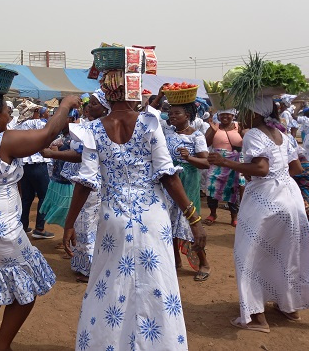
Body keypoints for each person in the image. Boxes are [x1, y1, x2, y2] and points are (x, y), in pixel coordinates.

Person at [62, 69, 207, 350]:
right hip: (152, 216)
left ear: (106, 93)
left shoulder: (92, 129)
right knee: (156, 283)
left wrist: (69, 223)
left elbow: (85, 182)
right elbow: (169, 176)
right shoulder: (150, 123)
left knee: (110, 283)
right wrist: (194, 219)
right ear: (132, 91)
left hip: (113, 216)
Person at [0, 91, 79, 351]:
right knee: (26, 290)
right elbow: (47, 134)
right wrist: (65, 105)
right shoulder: (3, 141)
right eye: (7, 112)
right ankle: (1, 347)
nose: (10, 118)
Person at [208, 96, 309, 333]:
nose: (240, 115)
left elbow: (261, 168)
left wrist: (226, 162)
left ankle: (257, 317)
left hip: (266, 198)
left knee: (249, 256)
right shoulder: (284, 135)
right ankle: (289, 307)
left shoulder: (253, 135)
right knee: (286, 253)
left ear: (255, 114)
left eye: (244, 111)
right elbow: (296, 168)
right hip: (290, 197)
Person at [55, 89, 110, 283]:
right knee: (84, 222)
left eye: (95, 104)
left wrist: (52, 154)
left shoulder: (99, 130)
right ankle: (85, 263)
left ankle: (89, 268)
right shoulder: (89, 127)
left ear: (106, 108)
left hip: (93, 183)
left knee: (87, 223)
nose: (89, 107)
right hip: (88, 180)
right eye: (90, 103)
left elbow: (80, 156)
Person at [162, 102, 212, 281]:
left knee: (190, 220)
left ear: (188, 116)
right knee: (168, 220)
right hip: (168, 179)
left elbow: (205, 163)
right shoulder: (167, 133)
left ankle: (203, 262)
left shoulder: (197, 136)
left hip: (187, 180)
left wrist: (188, 157)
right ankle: (175, 261)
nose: (172, 116)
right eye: (171, 113)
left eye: (177, 113)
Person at [15, 110, 55, 239]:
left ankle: (23, 226)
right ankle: (39, 228)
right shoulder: (38, 123)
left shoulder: (20, 125)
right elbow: (51, 134)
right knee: (44, 195)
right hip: (38, 162)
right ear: (36, 112)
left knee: (27, 197)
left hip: (25, 164)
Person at [204, 109, 245, 226]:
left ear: (233, 115)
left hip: (235, 162)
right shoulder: (214, 126)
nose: (225, 117)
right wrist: (213, 131)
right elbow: (205, 143)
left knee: (234, 188)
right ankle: (213, 213)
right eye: (222, 114)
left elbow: (246, 142)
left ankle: (234, 216)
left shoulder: (239, 126)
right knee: (211, 186)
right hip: (216, 161)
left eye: (228, 114)